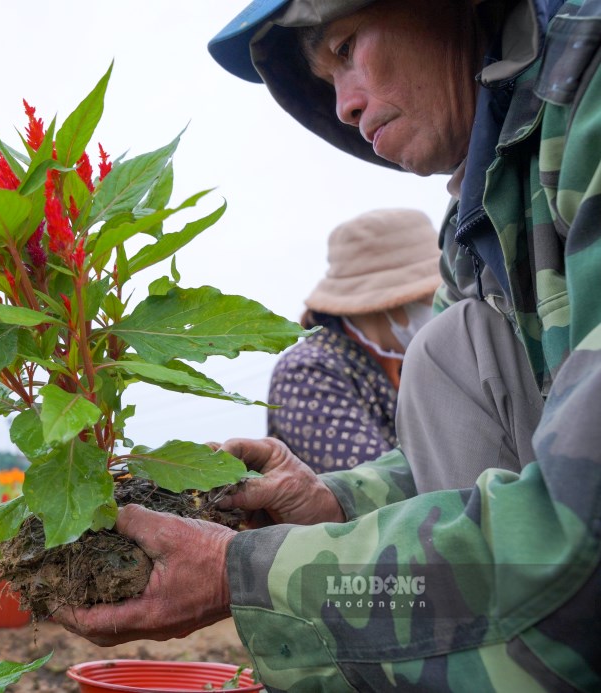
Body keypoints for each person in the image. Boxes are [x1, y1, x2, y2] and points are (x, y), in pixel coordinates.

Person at [51, 0, 601, 689]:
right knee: (447, 351)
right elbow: (447, 473)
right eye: (326, 72)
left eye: (344, 48)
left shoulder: (584, 92)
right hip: (476, 574)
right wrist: (337, 502)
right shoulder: (481, 206)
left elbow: (583, 512)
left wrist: (244, 571)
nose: (340, 105)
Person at [267, 208, 440, 472]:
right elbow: (374, 489)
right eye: (433, 296)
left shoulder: (414, 363)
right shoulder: (308, 373)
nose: (444, 306)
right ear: (388, 302)